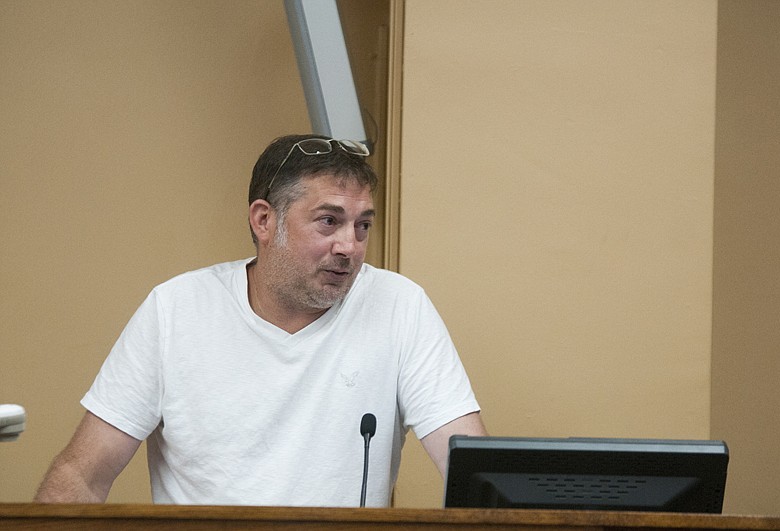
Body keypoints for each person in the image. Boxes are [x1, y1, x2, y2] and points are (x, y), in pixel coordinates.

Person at [34, 134, 487, 506]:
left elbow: (473, 472)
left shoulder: (399, 305)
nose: (350, 246)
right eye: (329, 222)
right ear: (264, 221)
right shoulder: (176, 309)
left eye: (362, 225)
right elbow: (83, 478)